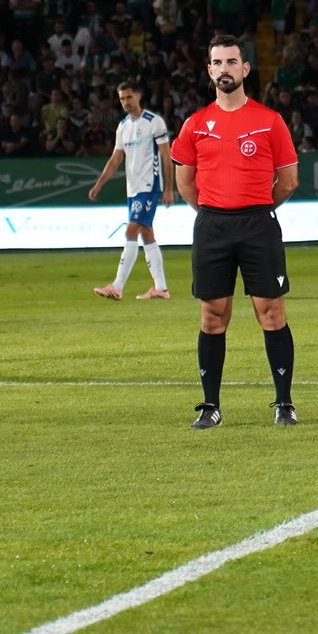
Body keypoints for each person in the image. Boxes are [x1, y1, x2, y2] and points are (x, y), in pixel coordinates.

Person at [171, 35, 300, 429]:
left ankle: (284, 404)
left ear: (245, 69)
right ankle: (210, 407)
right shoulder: (195, 124)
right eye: (217, 62)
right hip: (212, 226)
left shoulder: (269, 120)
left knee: (272, 312)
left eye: (231, 62)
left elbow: (289, 180)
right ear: (209, 70)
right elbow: (185, 183)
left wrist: (255, 206)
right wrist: (216, 210)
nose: (224, 69)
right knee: (212, 317)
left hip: (259, 224)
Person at [87, 81, 175, 300]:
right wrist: (99, 184)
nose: (125, 102)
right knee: (146, 234)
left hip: (149, 186)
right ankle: (161, 288)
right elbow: (115, 159)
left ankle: (116, 286)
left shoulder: (154, 123)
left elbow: (166, 156)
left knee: (131, 231)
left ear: (138, 96)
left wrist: (168, 189)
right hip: (133, 189)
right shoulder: (123, 126)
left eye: (129, 97)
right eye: (122, 99)